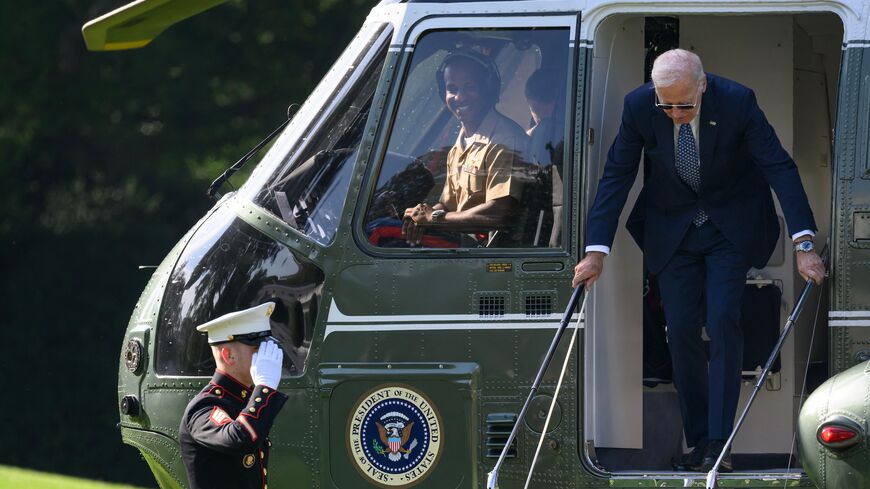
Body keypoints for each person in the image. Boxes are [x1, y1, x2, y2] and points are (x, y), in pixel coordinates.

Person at [572, 49, 825, 472]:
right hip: (673, 230)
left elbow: (779, 166)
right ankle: (699, 439)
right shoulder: (639, 105)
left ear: (702, 85)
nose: (673, 113)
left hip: (729, 226)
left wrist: (804, 244)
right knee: (681, 329)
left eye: (683, 104)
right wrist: (596, 251)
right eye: (665, 103)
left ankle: (718, 445)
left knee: (724, 320)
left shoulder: (738, 100)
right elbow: (617, 173)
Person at [401, 51, 528, 246]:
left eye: (469, 87)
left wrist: (434, 219)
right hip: (462, 247)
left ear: (488, 90)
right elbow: (447, 204)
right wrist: (420, 217)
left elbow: (499, 214)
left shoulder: (504, 140)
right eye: (452, 88)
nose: (459, 97)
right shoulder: (462, 141)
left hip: (489, 257)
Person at [179, 302, 288, 489]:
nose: (265, 356)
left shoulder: (243, 400)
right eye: (257, 349)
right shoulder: (205, 406)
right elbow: (239, 438)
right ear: (228, 355)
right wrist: (265, 387)